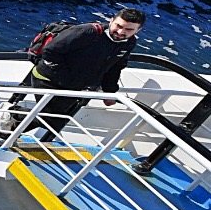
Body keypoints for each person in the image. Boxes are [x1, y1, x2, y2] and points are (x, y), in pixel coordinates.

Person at [11, 8, 145, 140]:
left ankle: (7, 128)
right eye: (118, 26)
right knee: (51, 119)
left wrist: (110, 92)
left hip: (75, 86)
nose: (121, 32)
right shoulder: (87, 32)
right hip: (47, 78)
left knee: (56, 121)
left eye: (129, 30)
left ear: (137, 30)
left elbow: (114, 68)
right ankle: (11, 115)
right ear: (111, 21)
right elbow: (50, 51)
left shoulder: (129, 43)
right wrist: (65, 78)